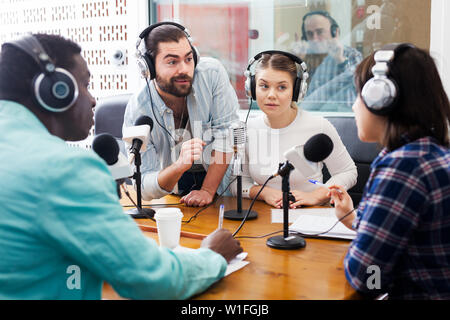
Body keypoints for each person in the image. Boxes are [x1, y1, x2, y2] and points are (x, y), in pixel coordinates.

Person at [0, 33, 242, 300]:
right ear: (57, 91)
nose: (93, 100)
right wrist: (212, 256)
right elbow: (153, 280)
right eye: (85, 85)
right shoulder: (64, 169)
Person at [329, 44, 450, 299]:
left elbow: (367, 278)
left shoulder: (404, 167)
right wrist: (355, 219)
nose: (353, 107)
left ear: (380, 98)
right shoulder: (431, 153)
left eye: (358, 96)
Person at [123, 22, 239, 207]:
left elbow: (226, 135)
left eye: (188, 59)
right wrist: (179, 166)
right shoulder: (139, 109)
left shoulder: (212, 74)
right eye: (172, 61)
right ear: (148, 68)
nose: (184, 69)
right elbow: (143, 186)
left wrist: (207, 191)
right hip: (172, 192)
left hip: (221, 187)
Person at [234, 51, 357, 208]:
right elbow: (237, 184)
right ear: (252, 88)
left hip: (310, 214)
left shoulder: (319, 126)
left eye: (282, 87)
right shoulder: (247, 129)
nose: (271, 95)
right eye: (264, 86)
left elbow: (348, 172)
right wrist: (264, 193)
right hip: (265, 219)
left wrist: (316, 195)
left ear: (297, 90)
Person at [291, 10, 362, 112]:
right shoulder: (304, 58)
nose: (315, 38)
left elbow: (360, 86)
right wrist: (296, 64)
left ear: (335, 32)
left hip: (340, 117)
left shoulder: (351, 55)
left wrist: (340, 60)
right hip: (311, 117)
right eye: (310, 34)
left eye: (320, 32)